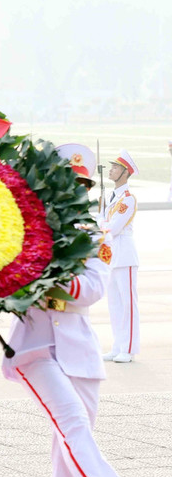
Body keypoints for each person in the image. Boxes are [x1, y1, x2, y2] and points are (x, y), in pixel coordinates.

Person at [4, 144, 153, 477]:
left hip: (81, 354)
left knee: (70, 463)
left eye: (82, 184)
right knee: (72, 424)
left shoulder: (91, 232)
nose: (74, 189)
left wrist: (51, 281)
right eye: (66, 181)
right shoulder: (22, 226)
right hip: (33, 347)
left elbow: (93, 288)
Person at [98, 149, 139, 363]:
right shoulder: (112, 196)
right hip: (112, 255)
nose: (111, 170)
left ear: (125, 173)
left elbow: (112, 228)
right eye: (112, 167)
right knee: (114, 304)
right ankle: (117, 346)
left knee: (128, 304)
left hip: (124, 255)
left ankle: (129, 348)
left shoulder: (128, 198)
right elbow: (103, 224)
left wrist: (101, 223)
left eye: (115, 167)